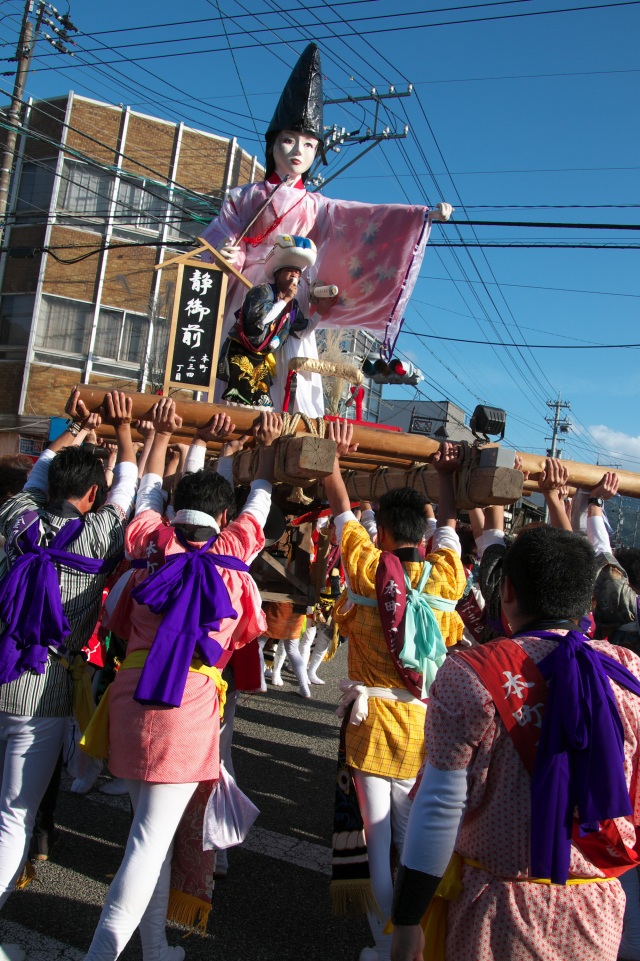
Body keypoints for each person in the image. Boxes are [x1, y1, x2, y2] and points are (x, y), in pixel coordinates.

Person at [81, 400, 281, 961]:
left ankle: (155, 944)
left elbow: (146, 492)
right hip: (187, 707)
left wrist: (166, 436)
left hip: (131, 697)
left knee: (151, 835)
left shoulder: (150, 543)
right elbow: (259, 500)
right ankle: (102, 953)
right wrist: (260, 446)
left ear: (174, 510)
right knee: (148, 841)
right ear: (223, 518)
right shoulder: (233, 550)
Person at [390, 525, 640, 961]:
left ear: (506, 591)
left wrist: (409, 918)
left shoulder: (469, 674)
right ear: (589, 603)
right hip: (597, 907)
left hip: (498, 910)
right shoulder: (628, 671)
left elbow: (439, 806)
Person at [202, 42, 448, 416]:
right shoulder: (246, 194)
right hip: (249, 288)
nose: (297, 151)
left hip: (293, 292)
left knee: (294, 366)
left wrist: (420, 216)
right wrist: (229, 249)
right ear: (273, 144)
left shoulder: (317, 206)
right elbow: (221, 233)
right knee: (236, 363)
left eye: (308, 144)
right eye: (288, 140)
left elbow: (366, 218)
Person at [323, 421, 465, 961]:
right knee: (413, 845)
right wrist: (447, 478)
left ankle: (386, 944)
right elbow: (450, 525)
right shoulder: (444, 578)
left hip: (368, 724)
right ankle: (411, 938)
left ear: (379, 529)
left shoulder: (364, 569)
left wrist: (335, 459)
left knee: (375, 842)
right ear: (422, 539)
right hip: (421, 728)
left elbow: (339, 509)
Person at [0, 390, 137, 945]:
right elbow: (130, 489)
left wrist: (77, 433)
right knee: (13, 819)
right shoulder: (99, 535)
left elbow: (39, 474)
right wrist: (128, 432)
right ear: (92, 496)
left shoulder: (16, 517)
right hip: (45, 692)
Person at [217, 235, 317, 408]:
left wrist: (320, 312)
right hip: (243, 352)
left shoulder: (291, 304)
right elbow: (261, 319)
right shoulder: (263, 291)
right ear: (277, 274)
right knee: (238, 398)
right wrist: (285, 300)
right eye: (289, 271)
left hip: (262, 358)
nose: (294, 275)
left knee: (262, 401)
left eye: (298, 272)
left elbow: (302, 330)